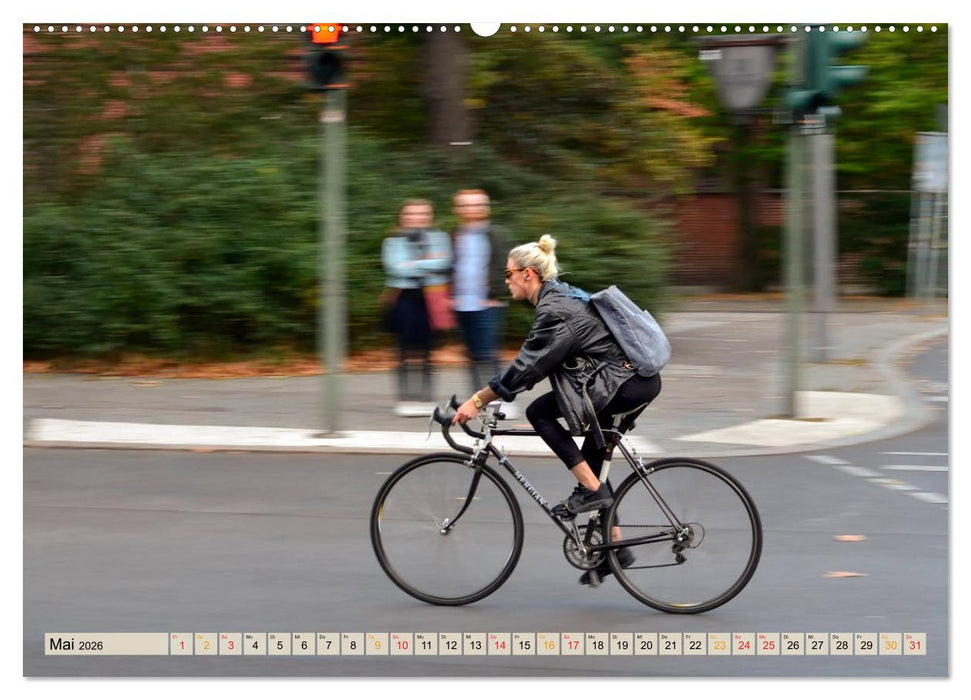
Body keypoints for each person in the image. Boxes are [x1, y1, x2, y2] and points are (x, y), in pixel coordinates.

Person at [451, 234, 662, 585]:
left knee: (540, 414)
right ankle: (617, 550)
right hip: (627, 380)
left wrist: (477, 400)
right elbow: (536, 364)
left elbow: (527, 367)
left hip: (623, 384)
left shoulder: (554, 311)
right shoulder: (560, 297)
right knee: (593, 463)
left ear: (528, 274)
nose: (506, 281)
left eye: (509, 274)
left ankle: (593, 493)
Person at [449, 189, 518, 416]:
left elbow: (507, 266)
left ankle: (502, 400)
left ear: (485, 207)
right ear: (458, 209)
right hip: (462, 303)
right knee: (472, 355)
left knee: (489, 354)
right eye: (465, 205)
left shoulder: (496, 234)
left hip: (487, 303)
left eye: (476, 204)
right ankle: (477, 400)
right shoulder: (456, 234)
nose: (471, 209)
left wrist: (496, 295)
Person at [382, 199, 453, 417]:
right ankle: (405, 397)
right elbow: (394, 268)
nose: (417, 217)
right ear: (403, 216)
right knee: (403, 350)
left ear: (430, 216)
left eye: (422, 213)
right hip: (404, 298)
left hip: (431, 297)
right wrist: (427, 262)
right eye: (411, 214)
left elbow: (445, 262)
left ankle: (426, 397)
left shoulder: (440, 237)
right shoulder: (392, 240)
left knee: (428, 350)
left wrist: (412, 263)